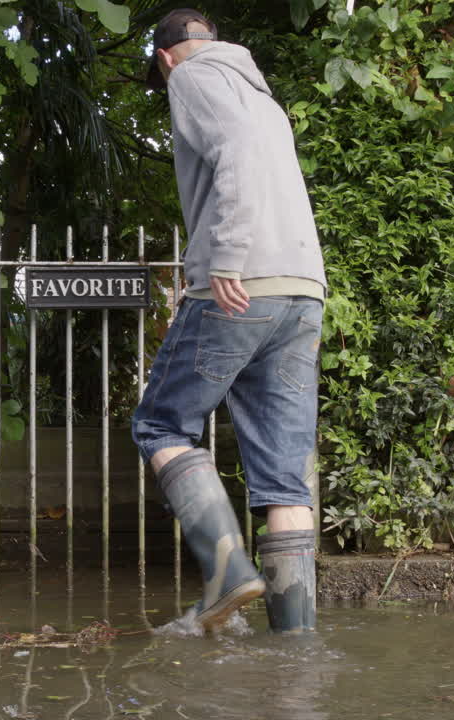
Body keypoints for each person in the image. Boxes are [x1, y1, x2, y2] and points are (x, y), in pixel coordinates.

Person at [132, 8, 326, 634]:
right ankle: (296, 647)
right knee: (284, 479)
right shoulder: (261, 94)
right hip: (302, 292)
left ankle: (226, 575)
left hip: (244, 284)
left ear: (166, 57)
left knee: (160, 424)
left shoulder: (192, 77)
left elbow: (235, 153)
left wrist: (228, 255)